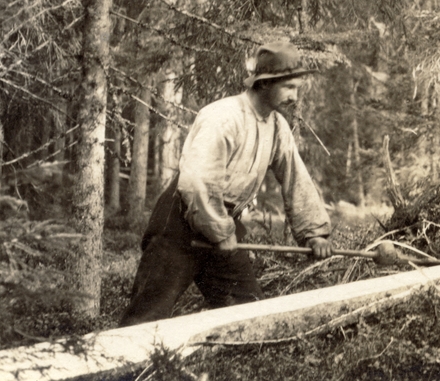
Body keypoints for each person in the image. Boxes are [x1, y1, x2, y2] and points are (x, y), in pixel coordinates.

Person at [120, 41, 333, 326]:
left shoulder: (277, 126)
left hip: (223, 226)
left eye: (297, 88)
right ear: (265, 83)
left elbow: (296, 179)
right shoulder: (222, 116)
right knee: (144, 320)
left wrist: (314, 234)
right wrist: (220, 232)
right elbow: (196, 182)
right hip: (179, 225)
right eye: (289, 88)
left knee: (249, 317)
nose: (295, 97)